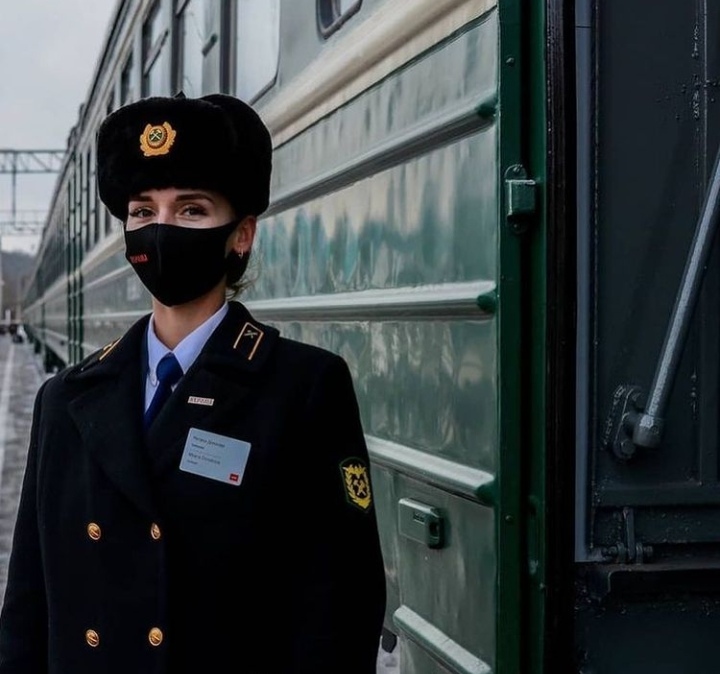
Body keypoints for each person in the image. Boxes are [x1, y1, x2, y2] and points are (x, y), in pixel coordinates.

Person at [0, 93, 387, 673]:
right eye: (142, 210)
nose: (160, 230)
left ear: (242, 234)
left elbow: (339, 614)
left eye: (191, 210)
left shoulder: (303, 389)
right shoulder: (67, 400)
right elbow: (27, 610)